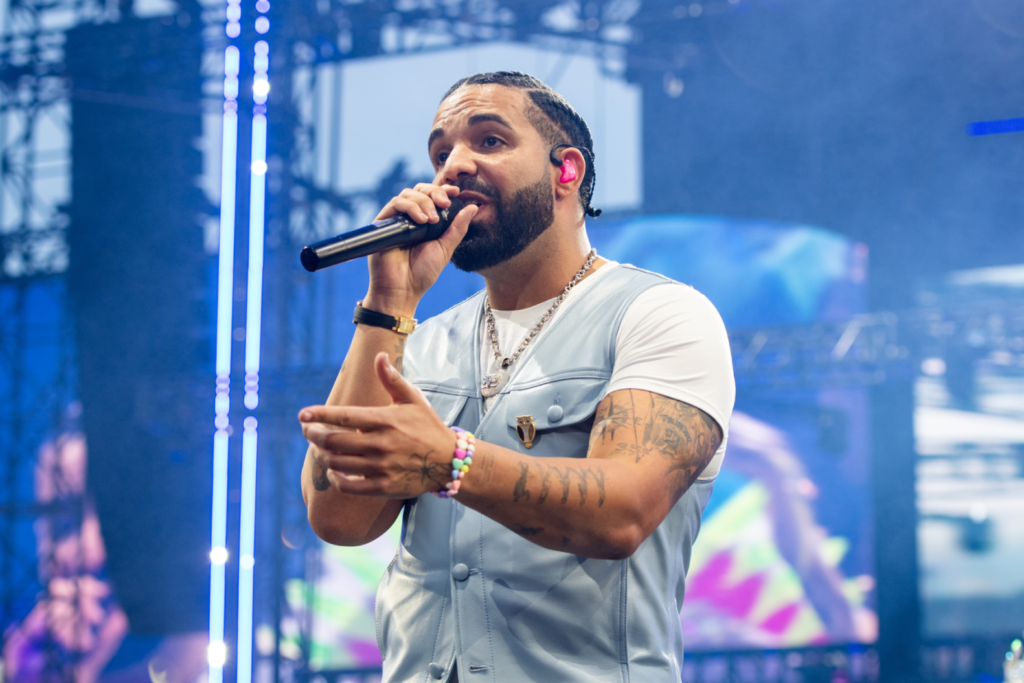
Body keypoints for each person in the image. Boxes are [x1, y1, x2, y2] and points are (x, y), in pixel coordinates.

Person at [299, 71, 735, 682]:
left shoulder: (660, 315)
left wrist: (449, 460)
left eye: (490, 141)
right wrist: (387, 305)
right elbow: (339, 519)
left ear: (567, 172)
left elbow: (623, 513)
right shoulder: (420, 341)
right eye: (441, 152)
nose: (454, 166)